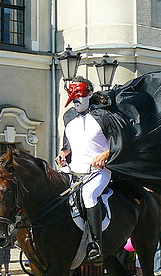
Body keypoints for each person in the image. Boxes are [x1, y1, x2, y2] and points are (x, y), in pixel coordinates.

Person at [56, 76, 110, 262]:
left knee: (88, 195)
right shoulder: (68, 116)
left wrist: (105, 154)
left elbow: (120, 142)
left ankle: (96, 244)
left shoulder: (104, 116)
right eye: (73, 97)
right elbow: (67, 144)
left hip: (98, 171)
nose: (76, 101)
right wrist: (63, 155)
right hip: (73, 168)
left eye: (79, 96)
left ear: (90, 94)